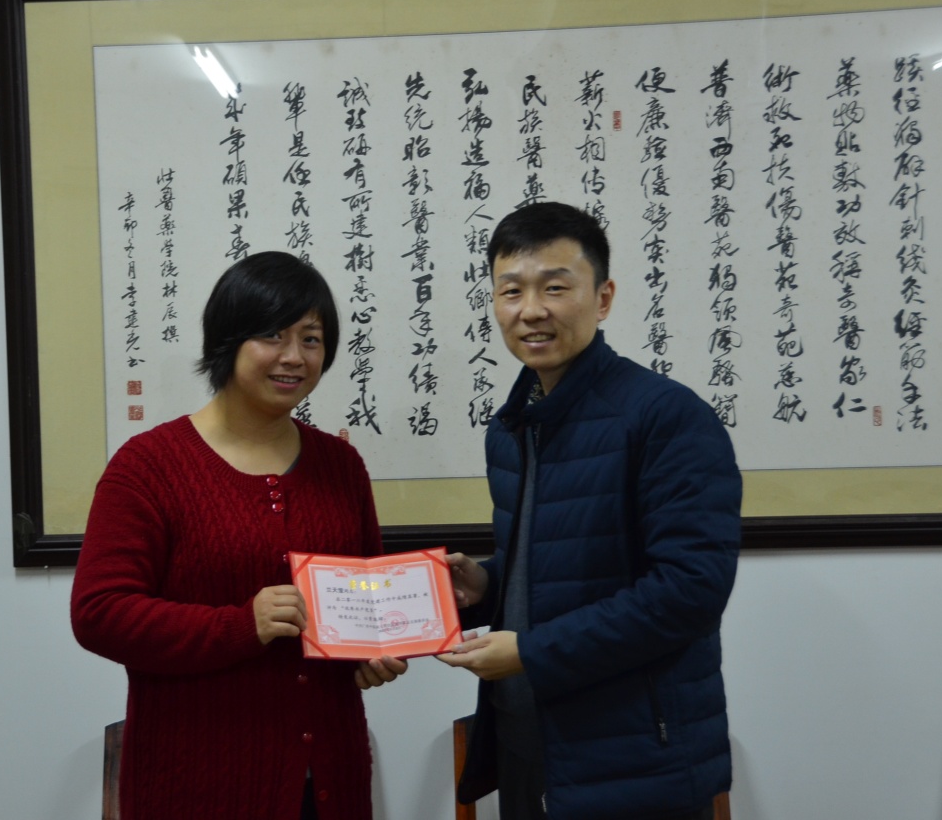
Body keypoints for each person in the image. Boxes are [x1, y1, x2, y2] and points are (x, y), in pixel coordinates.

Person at [71, 251, 406, 820]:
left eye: (311, 339)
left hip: (330, 780)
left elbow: (365, 600)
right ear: (228, 339)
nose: (294, 357)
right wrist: (240, 625)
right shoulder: (150, 465)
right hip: (198, 783)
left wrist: (371, 653)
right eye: (272, 335)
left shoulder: (341, 466)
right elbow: (99, 613)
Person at [438, 202, 742, 820]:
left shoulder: (666, 415)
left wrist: (532, 652)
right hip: (528, 745)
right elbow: (563, 566)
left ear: (603, 298)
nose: (531, 310)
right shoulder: (512, 426)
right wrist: (488, 584)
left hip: (634, 761)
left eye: (555, 287)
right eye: (511, 291)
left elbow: (690, 589)